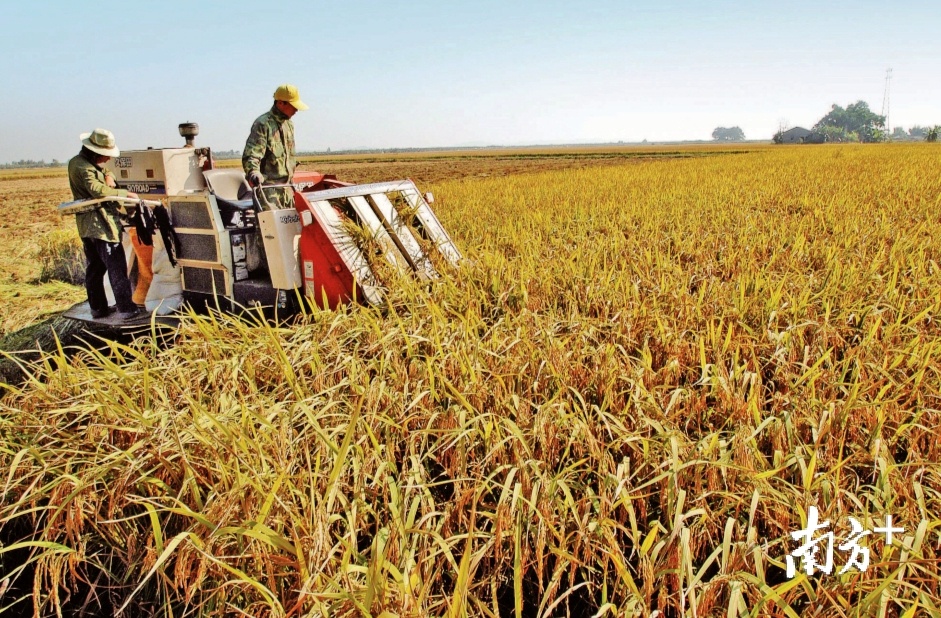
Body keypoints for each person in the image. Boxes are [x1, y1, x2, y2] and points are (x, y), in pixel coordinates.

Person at [67, 128, 142, 320]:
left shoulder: (87, 163)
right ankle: (127, 309)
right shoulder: (81, 167)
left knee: (96, 268)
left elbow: (105, 174)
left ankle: (98, 308)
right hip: (101, 226)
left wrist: (111, 176)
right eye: (105, 156)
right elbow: (97, 189)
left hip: (88, 227)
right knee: (116, 266)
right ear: (95, 152)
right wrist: (127, 194)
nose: (108, 160)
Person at [242, 84, 308, 210]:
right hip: (269, 193)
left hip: (288, 190)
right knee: (271, 229)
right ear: (280, 103)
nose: (296, 110)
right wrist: (253, 172)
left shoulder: (289, 125)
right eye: (293, 106)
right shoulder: (263, 124)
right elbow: (252, 155)